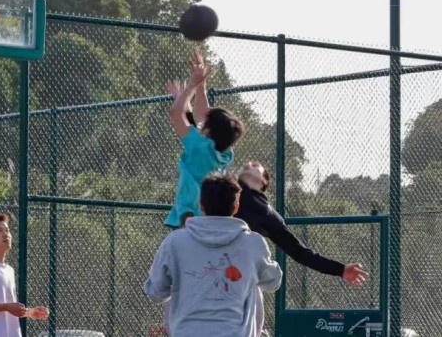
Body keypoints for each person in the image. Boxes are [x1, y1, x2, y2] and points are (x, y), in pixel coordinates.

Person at [234, 161, 369, 335]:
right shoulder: (218, 188)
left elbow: (300, 252)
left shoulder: (266, 213)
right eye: (247, 164)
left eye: (255, 165)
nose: (250, 165)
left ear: (263, 182)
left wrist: (340, 269)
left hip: (239, 280)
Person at [144, 173, 282, 336]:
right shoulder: (253, 244)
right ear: (236, 206)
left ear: (201, 205)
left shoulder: (175, 242)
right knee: (254, 284)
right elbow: (273, 283)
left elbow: (156, 293)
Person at [164, 49, 245, 228]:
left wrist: (192, 85)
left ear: (208, 131)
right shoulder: (225, 153)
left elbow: (176, 113)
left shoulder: (199, 147)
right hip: (210, 216)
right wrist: (201, 85)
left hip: (189, 215)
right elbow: (199, 117)